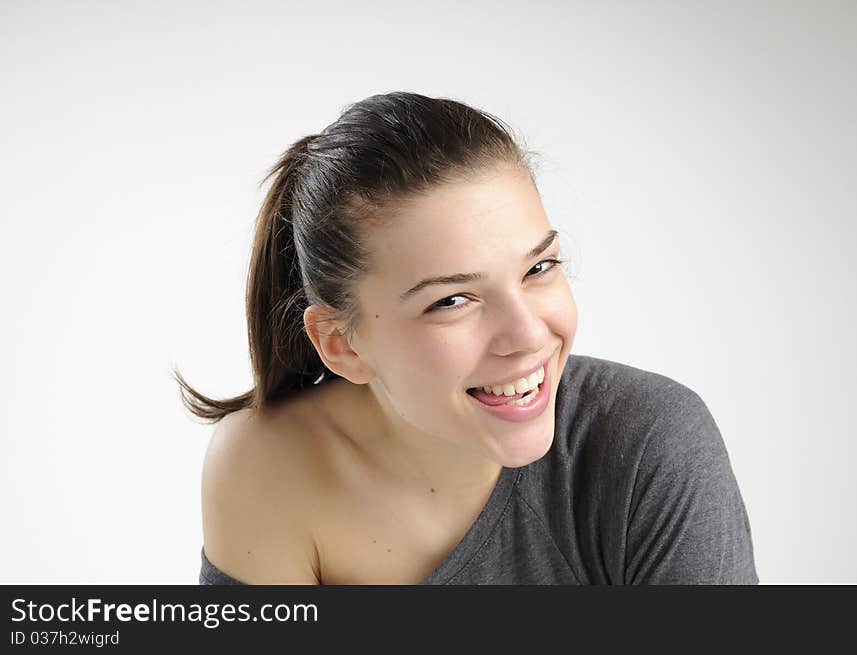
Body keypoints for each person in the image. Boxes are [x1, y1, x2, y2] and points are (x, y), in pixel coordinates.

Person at [175, 91, 759, 585]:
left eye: (539, 268)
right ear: (341, 344)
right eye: (452, 300)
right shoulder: (267, 468)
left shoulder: (651, 444)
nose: (529, 335)